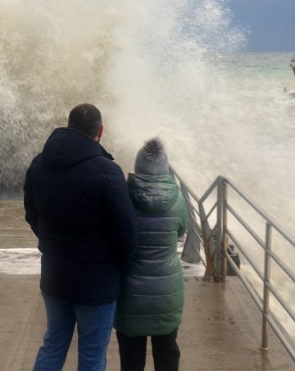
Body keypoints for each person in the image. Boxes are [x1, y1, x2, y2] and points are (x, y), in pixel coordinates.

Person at [24, 103, 139, 371]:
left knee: (53, 344)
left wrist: (51, 245)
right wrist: (118, 266)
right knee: (92, 355)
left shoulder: (39, 165)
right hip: (96, 282)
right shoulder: (108, 172)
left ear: (69, 125)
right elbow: (126, 233)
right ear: (100, 131)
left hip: (55, 275)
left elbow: (32, 215)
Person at [114, 138, 187, 371]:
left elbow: (115, 236)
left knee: (131, 359)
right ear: (165, 169)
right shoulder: (178, 200)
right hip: (167, 292)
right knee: (167, 354)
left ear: (137, 168)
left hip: (130, 292)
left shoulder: (123, 197)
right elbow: (181, 231)